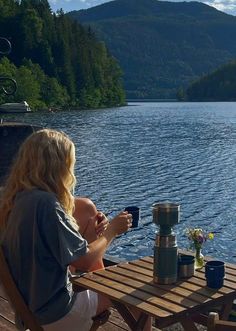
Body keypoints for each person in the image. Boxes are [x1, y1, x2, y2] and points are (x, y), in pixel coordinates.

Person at [0, 128, 135, 331]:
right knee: (135, 299)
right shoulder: (46, 204)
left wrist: (89, 238)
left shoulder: (16, 200)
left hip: (31, 311)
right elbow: (86, 260)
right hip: (57, 313)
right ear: (58, 165)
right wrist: (112, 231)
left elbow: (52, 260)